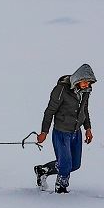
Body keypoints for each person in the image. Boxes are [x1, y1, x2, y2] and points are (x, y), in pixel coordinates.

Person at [34, 63, 96, 193]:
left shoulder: (85, 92)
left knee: (75, 164)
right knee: (66, 164)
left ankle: (43, 170)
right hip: (61, 132)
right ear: (77, 79)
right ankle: (61, 188)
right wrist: (44, 132)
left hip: (76, 132)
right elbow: (49, 111)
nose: (87, 85)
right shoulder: (61, 90)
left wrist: (88, 129)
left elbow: (84, 110)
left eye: (89, 82)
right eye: (84, 82)